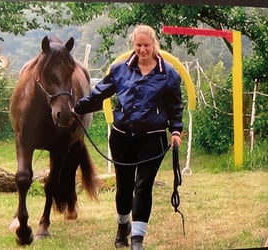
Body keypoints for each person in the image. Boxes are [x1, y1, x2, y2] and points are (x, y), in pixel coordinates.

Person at [73, 24, 183, 249]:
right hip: (122, 137)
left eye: (146, 45)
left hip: (153, 138)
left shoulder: (169, 74)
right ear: (133, 45)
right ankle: (123, 226)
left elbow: (175, 107)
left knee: (143, 185)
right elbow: (100, 93)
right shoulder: (120, 69)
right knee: (124, 186)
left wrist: (176, 130)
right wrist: (77, 109)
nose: (142, 49)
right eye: (138, 45)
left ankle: (137, 239)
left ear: (154, 45)